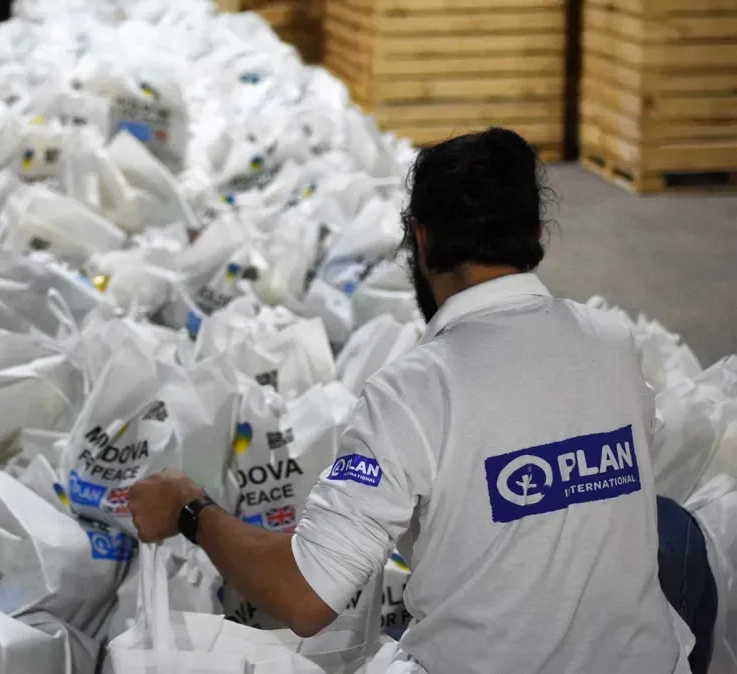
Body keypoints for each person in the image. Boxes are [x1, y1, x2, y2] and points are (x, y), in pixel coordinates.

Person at [128, 128, 715, 673]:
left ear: (422, 238)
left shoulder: (413, 391)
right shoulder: (613, 342)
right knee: (672, 528)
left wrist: (189, 508)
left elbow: (304, 598)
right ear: (535, 235)